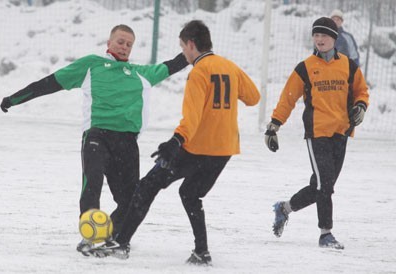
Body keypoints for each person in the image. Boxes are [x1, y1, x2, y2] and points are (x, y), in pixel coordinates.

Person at [0, 24, 188, 255]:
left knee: (130, 199)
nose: (124, 47)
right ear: (108, 43)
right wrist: (14, 99)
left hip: (127, 142)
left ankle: (108, 234)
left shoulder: (141, 73)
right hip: (97, 136)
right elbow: (49, 83)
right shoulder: (91, 65)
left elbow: (174, 64)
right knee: (93, 183)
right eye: (120, 41)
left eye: (129, 44)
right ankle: (89, 237)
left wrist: (195, 49)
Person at [88, 20, 261, 264]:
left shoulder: (199, 72)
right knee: (190, 194)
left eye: (183, 47)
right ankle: (201, 251)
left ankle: (121, 242)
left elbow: (192, 118)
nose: (184, 53)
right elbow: (253, 98)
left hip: (195, 147)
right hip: (223, 149)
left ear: (191, 44)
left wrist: (175, 141)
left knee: (147, 186)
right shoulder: (229, 66)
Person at [265, 17, 369, 249]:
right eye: (316, 35)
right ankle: (326, 234)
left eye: (324, 35)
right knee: (324, 184)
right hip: (317, 132)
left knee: (323, 186)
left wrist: (361, 106)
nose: (319, 39)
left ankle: (284, 208)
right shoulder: (305, 68)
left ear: (334, 39)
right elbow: (287, 99)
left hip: (341, 132)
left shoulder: (349, 66)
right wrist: (274, 125)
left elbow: (362, 91)